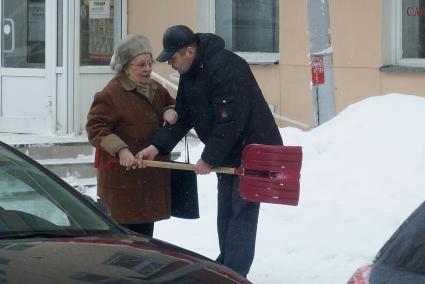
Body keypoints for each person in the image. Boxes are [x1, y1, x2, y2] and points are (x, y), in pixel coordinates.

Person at [135, 25, 283, 277]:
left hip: (253, 149)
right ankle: (226, 267)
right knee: (226, 210)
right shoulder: (189, 70)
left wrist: (209, 158)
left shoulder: (226, 66)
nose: (170, 63)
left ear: (189, 51)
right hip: (229, 151)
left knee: (241, 213)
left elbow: (230, 120)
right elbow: (183, 114)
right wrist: (156, 146)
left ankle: (234, 274)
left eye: (172, 58)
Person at [86, 35, 178, 237]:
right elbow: (95, 127)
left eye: (150, 63)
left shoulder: (155, 88)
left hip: (149, 175)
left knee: (145, 236)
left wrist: (169, 110)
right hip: (123, 180)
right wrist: (121, 149)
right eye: (141, 64)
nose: (147, 69)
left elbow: (171, 103)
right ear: (126, 67)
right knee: (124, 237)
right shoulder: (111, 93)